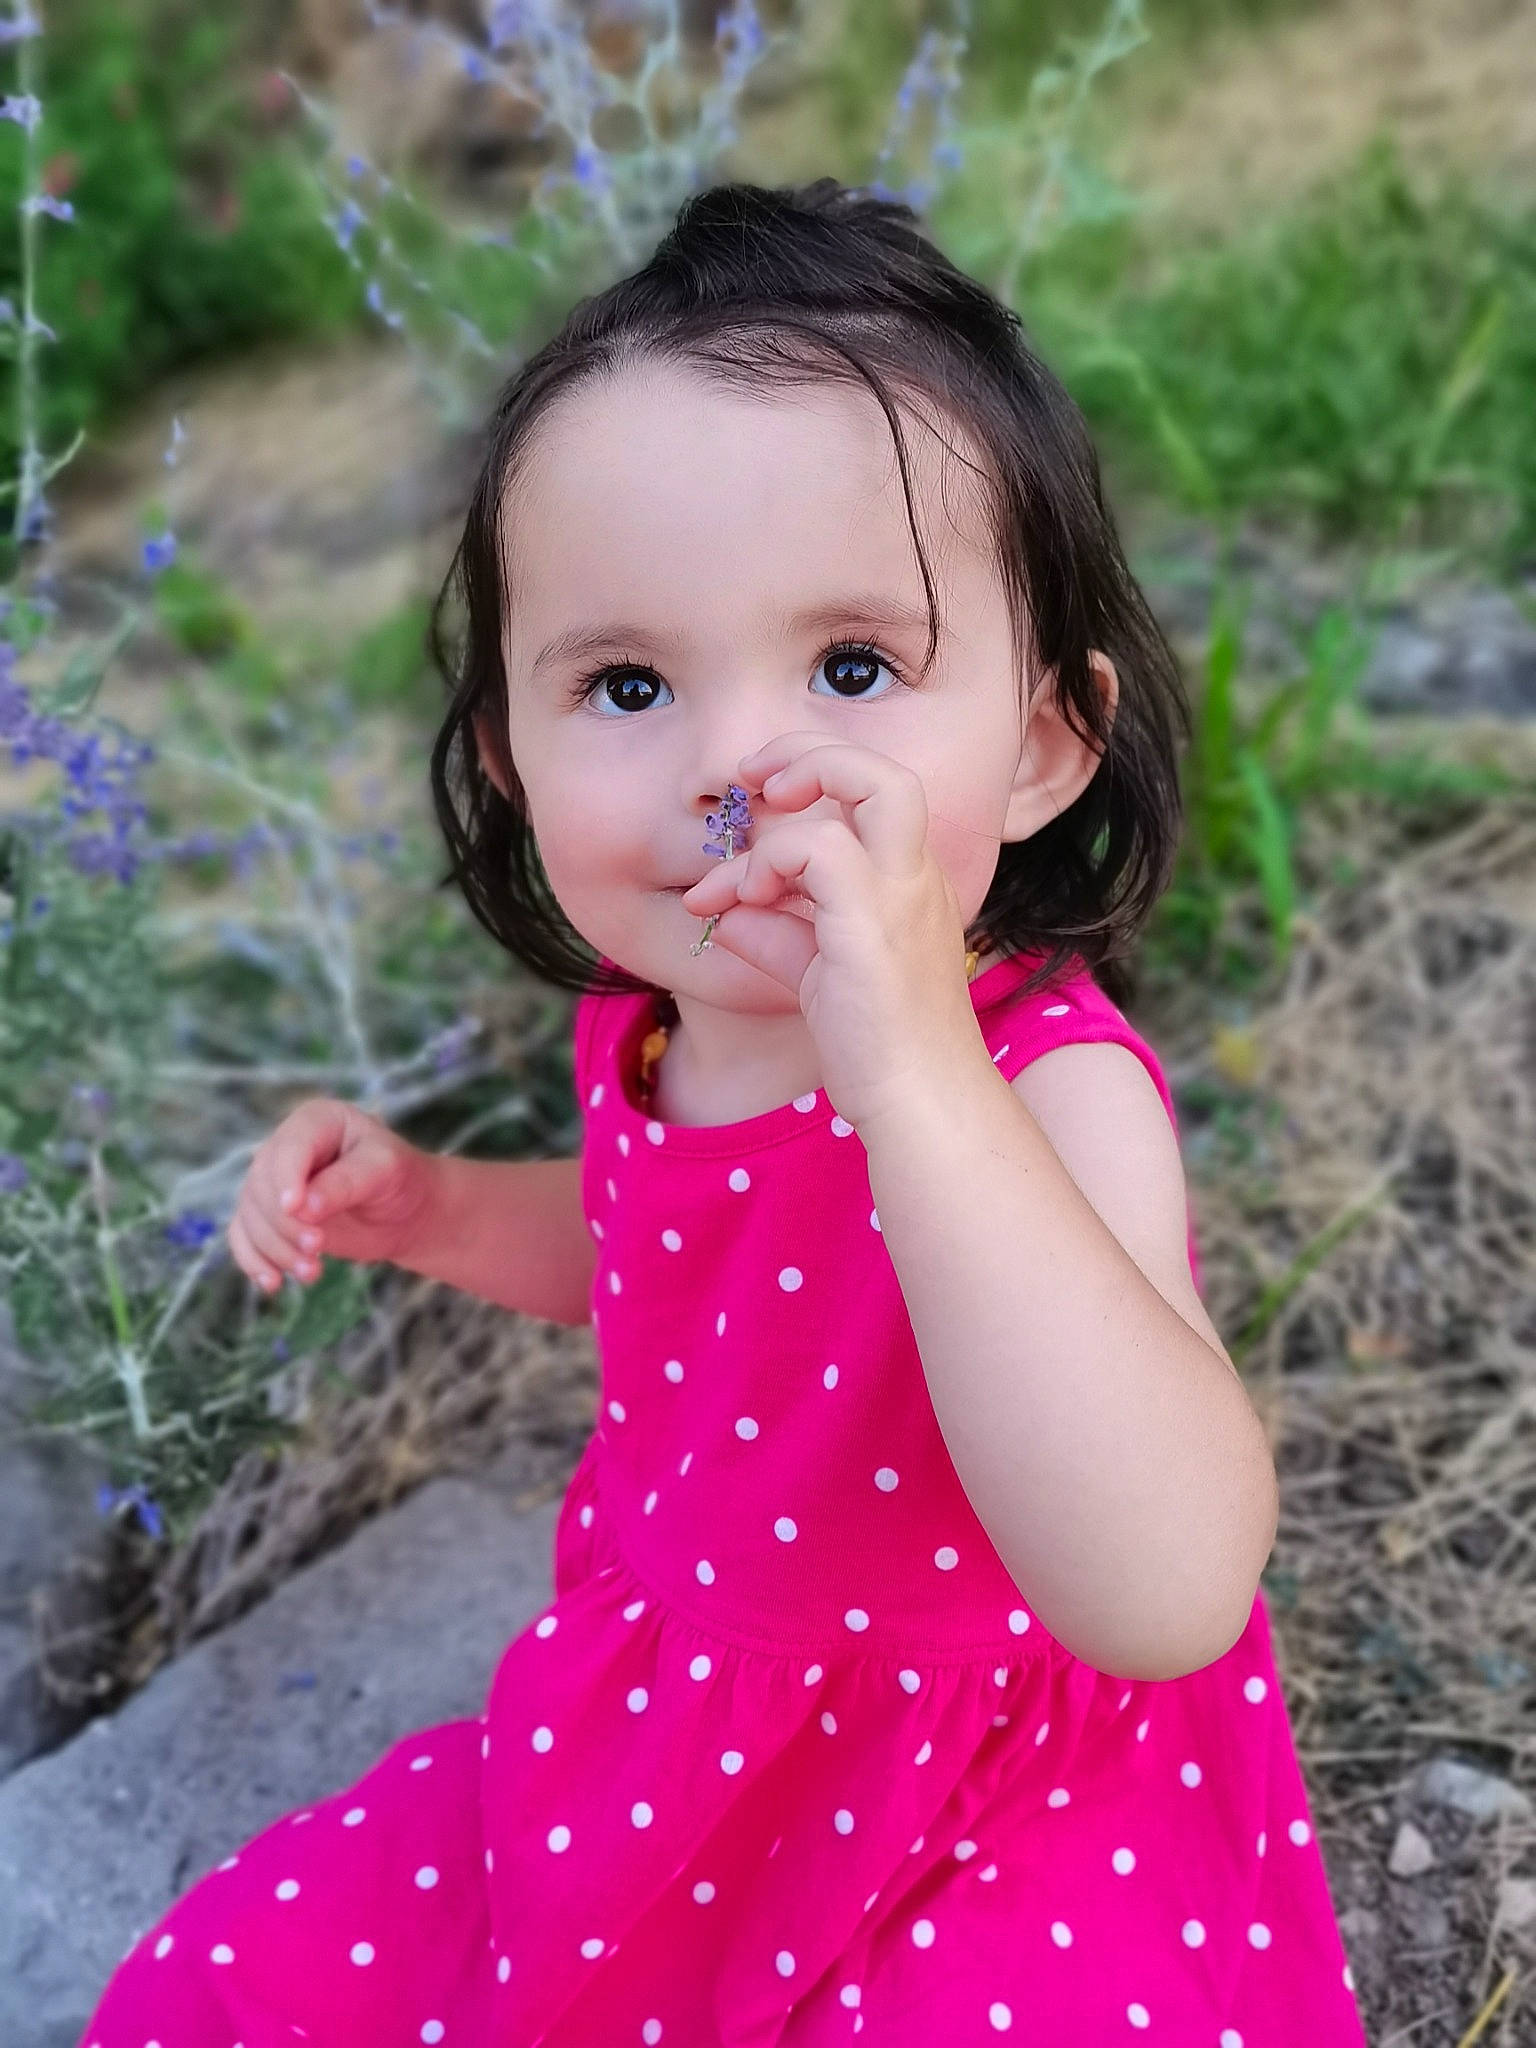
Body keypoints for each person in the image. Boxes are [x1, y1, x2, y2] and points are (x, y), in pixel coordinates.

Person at [79, 177, 1367, 2047]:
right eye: (627, 684)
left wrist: (916, 1075)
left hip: (997, 1804)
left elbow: (1162, 1586)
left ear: (1038, 744)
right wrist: (434, 1208)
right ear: (512, 757)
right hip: (681, 1750)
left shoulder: (1046, 1085)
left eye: (853, 667)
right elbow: (668, 1266)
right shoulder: (656, 1021)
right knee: (227, 1984)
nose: (736, 774)